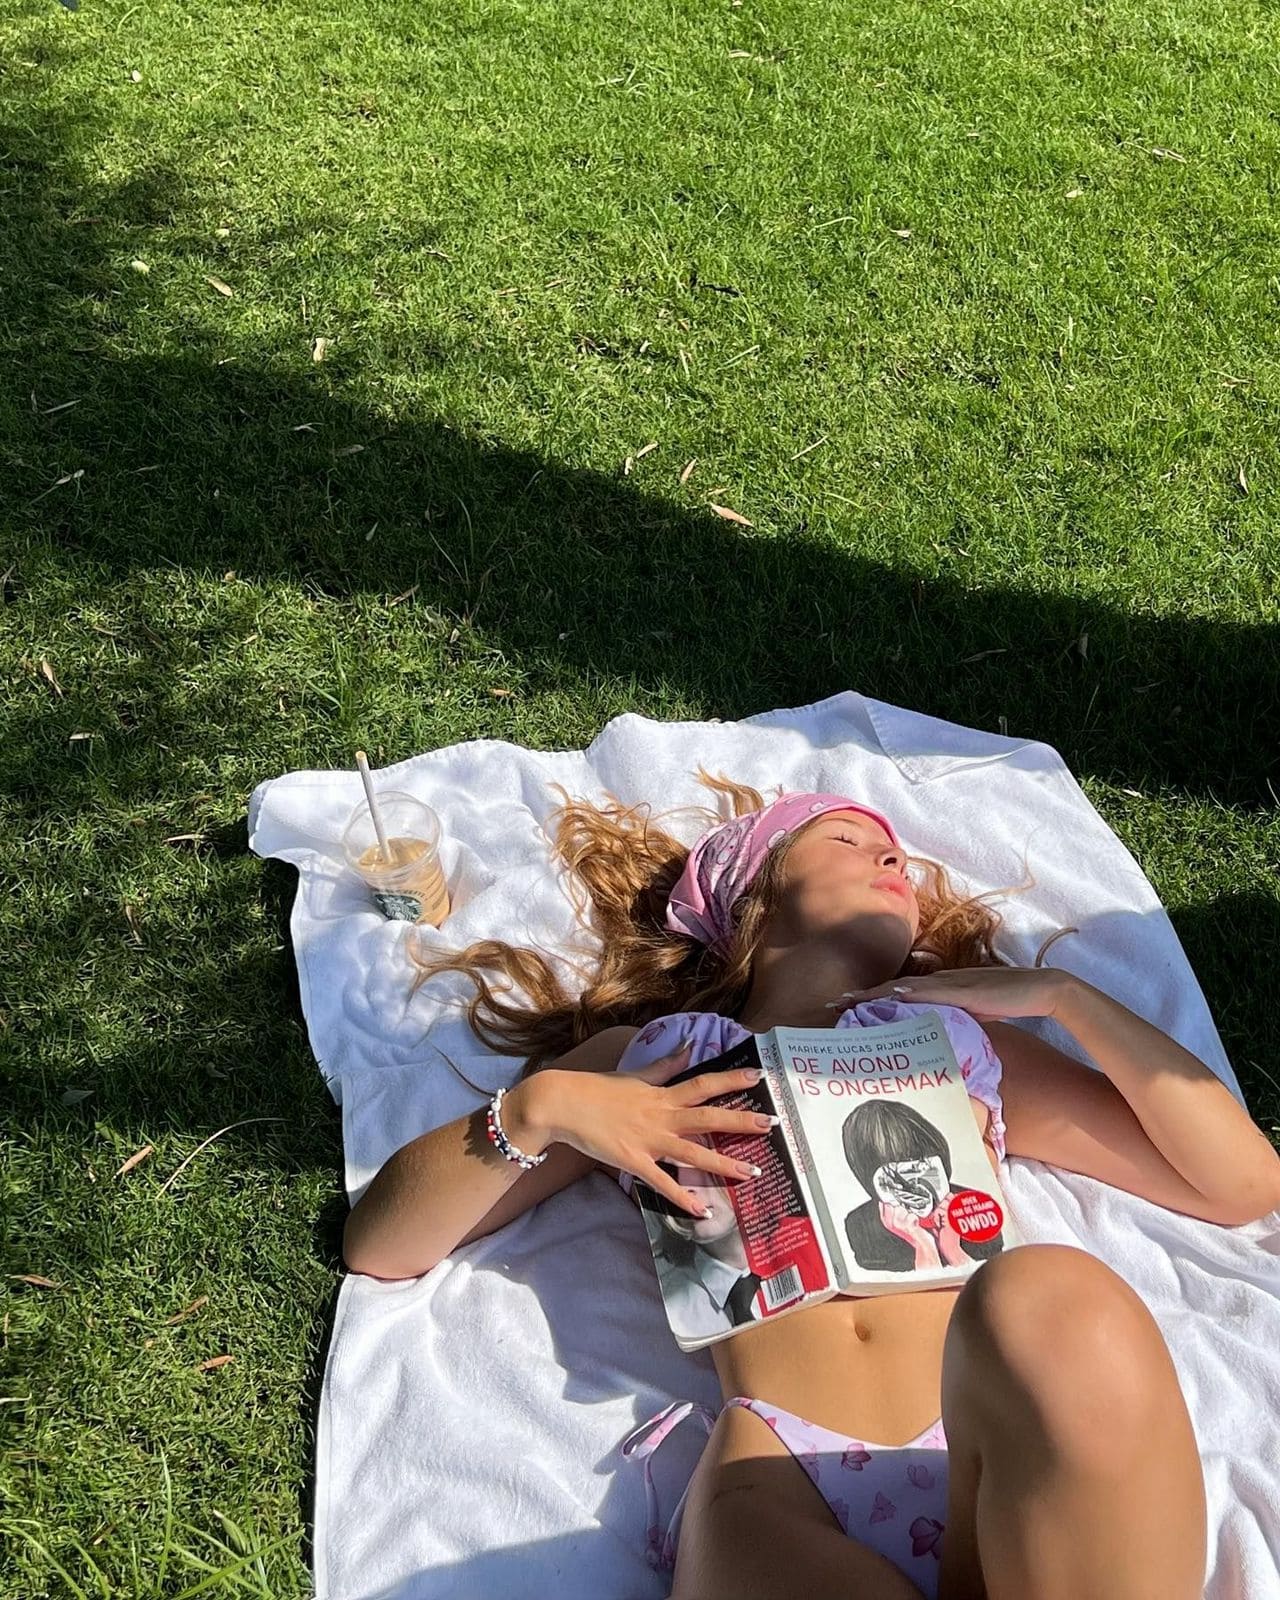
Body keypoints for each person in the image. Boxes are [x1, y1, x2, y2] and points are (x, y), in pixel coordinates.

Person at [343, 776, 1280, 1599]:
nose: (894, 860)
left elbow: (1242, 1184)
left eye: (897, 854)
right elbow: (381, 1244)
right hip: (781, 1478)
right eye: (849, 839)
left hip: (985, 1440)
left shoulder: (958, 1045)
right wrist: (539, 1109)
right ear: (755, 889)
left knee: (1051, 1295)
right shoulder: (656, 1061)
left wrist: (1066, 999)